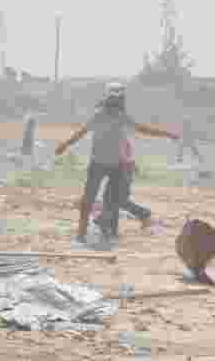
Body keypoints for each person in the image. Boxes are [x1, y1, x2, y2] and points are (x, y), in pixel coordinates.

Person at [55, 83, 179, 243]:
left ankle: (107, 232)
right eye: (116, 99)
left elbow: (143, 129)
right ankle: (82, 234)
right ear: (111, 100)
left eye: (118, 100)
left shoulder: (121, 117)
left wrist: (167, 134)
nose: (117, 103)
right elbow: (81, 132)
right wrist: (65, 144)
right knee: (90, 200)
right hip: (99, 164)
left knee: (111, 200)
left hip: (115, 166)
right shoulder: (99, 115)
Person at [94, 134, 153, 234]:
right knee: (117, 200)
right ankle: (107, 223)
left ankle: (106, 222)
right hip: (123, 173)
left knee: (114, 199)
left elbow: (121, 158)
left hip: (121, 173)